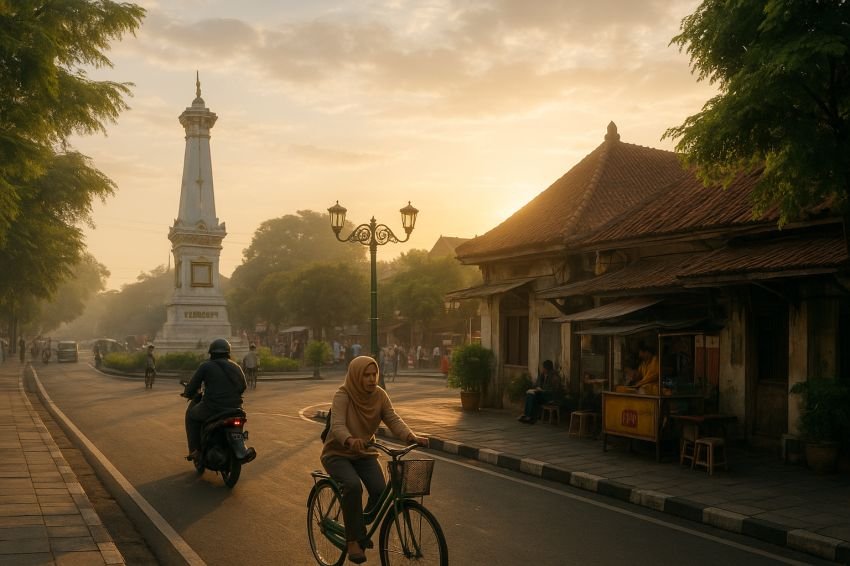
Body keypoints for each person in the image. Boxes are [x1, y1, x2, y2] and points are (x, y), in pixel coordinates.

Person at [321, 356, 428, 564]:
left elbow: (393, 418)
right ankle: (353, 539)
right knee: (352, 486)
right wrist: (350, 439)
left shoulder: (380, 395)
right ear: (356, 376)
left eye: (374, 374)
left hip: (365, 453)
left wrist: (411, 436)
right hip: (337, 453)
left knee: (380, 491)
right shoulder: (343, 395)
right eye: (366, 375)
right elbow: (337, 425)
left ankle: (356, 522)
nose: (372, 379)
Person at [182, 338, 248, 461]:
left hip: (212, 407)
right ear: (228, 352)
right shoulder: (236, 367)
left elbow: (193, 385)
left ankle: (195, 450)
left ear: (211, 353)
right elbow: (243, 386)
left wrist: (188, 393)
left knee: (191, 416)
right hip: (236, 408)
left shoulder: (206, 366)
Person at [518, 360, 558, 424]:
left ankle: (531, 417)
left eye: (543, 367)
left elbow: (553, 390)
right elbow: (537, 384)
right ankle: (527, 415)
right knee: (530, 394)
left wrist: (542, 390)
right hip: (541, 394)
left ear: (547, 368)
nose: (542, 369)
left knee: (533, 396)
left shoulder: (554, 376)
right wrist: (536, 389)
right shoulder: (542, 375)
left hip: (549, 397)